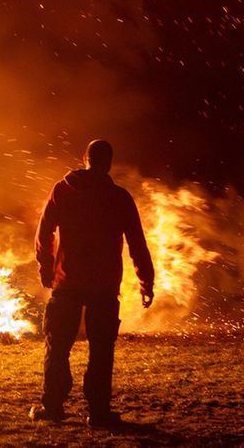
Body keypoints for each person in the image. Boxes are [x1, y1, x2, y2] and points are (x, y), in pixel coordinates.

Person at [29, 139, 154, 428]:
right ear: (108, 163)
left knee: (58, 346)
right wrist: (146, 282)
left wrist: (46, 267)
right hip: (104, 286)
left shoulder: (63, 191)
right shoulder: (119, 198)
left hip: (68, 282)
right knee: (101, 350)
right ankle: (98, 413)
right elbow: (137, 243)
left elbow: (44, 231)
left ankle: (54, 407)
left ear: (84, 158)